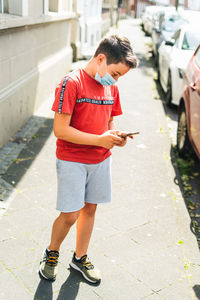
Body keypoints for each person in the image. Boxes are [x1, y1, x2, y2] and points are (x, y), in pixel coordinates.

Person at [39, 35, 138, 284]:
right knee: (70, 214)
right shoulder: (71, 83)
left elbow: (109, 122)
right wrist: (99, 140)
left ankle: (79, 257)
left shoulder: (111, 87)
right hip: (72, 159)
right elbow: (60, 130)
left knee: (90, 209)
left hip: (101, 159)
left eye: (119, 77)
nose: (115, 80)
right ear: (101, 58)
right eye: (115, 73)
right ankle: (52, 253)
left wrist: (116, 136)